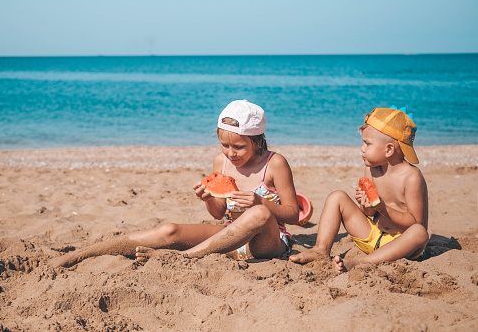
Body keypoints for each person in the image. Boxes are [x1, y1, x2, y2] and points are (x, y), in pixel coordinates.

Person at [50, 100, 299, 268]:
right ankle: (83, 254)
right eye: (225, 145)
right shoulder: (220, 162)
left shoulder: (274, 163)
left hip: (267, 244)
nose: (231, 153)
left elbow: (294, 214)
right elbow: (219, 214)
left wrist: (261, 202)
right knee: (169, 230)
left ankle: (183, 258)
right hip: (229, 240)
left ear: (257, 140)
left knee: (258, 213)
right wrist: (209, 199)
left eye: (239, 147)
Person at [289, 107, 429, 274]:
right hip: (373, 236)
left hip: (401, 246)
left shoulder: (411, 177)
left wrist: (382, 208)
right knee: (337, 197)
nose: (362, 149)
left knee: (420, 233)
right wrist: (366, 205)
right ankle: (321, 249)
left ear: (389, 149)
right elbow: (369, 213)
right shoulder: (372, 169)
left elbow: (415, 222)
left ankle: (361, 262)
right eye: (363, 142)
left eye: (367, 144)